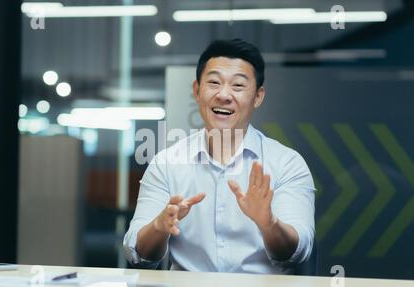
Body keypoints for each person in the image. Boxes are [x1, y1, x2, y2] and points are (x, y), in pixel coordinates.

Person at [124, 39, 315, 274]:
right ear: (196, 90)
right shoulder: (166, 164)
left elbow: (298, 251)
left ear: (258, 96)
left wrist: (269, 223)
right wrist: (158, 226)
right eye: (214, 82)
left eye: (237, 86)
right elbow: (138, 254)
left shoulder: (287, 164)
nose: (224, 95)